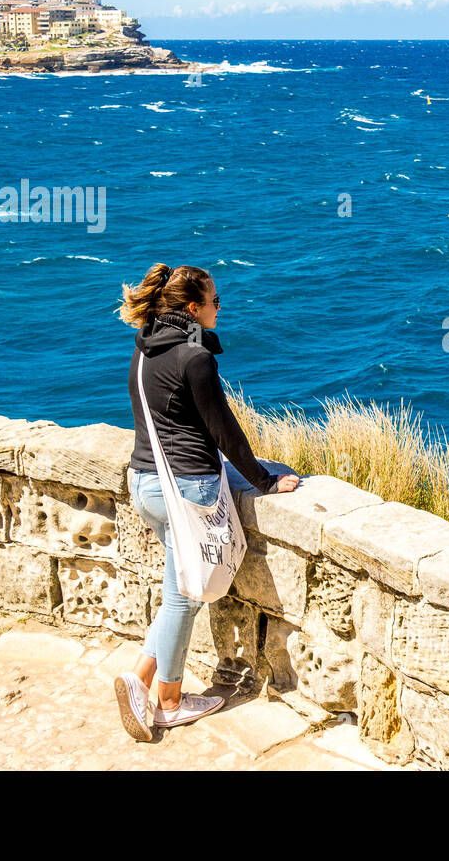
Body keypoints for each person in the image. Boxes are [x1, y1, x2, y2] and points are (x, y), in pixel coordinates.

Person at [113, 262, 299, 742]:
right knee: (184, 595)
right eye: (215, 300)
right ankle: (163, 696)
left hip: (145, 482)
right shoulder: (195, 360)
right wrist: (263, 480)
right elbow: (224, 430)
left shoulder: (145, 345)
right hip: (188, 490)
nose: (221, 307)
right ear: (193, 307)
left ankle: (147, 681)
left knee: (181, 588)